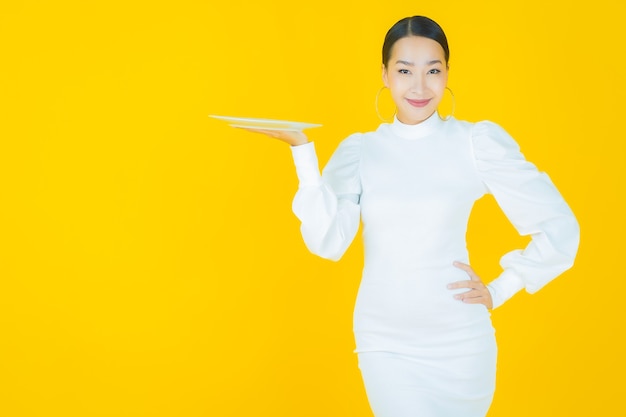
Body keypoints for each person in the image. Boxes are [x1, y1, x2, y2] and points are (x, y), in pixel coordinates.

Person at [243, 15, 580, 417]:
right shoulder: (361, 151)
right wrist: (302, 151)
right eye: (404, 71)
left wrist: (502, 288)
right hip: (385, 341)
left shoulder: (475, 143)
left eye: (432, 71)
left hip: (460, 345)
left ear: (447, 73)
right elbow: (327, 241)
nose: (419, 86)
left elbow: (559, 228)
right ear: (385, 75)